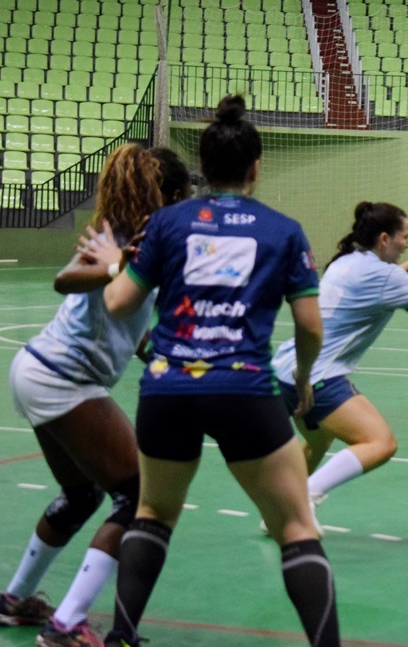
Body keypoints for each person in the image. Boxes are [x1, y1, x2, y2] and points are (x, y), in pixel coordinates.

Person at [99, 96, 339, 647]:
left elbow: (117, 303)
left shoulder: (166, 223)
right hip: (244, 388)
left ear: (203, 168)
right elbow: (310, 325)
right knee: (296, 526)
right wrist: (303, 378)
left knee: (153, 513)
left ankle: (120, 637)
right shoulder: (283, 231)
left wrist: (117, 264)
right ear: (256, 167)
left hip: (167, 386)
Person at [0, 145, 191, 647]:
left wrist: (162, 357)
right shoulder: (119, 236)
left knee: (82, 495)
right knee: (139, 497)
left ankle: (15, 600)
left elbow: (129, 322)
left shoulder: (145, 241)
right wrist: (114, 267)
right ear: (168, 196)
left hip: (41, 372)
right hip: (62, 377)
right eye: (184, 198)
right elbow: (65, 280)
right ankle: (66, 626)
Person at [268, 201, 408, 531]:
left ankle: (280, 510)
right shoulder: (382, 275)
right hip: (318, 376)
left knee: (318, 442)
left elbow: (391, 279)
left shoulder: (348, 260)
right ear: (385, 239)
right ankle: (304, 497)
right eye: (405, 237)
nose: (407, 244)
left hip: (287, 370)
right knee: (380, 443)